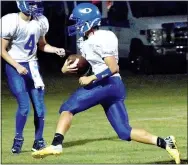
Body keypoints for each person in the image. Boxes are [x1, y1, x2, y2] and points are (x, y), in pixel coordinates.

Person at [31, 3, 180, 164]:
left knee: (67, 108)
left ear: (89, 21)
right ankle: (166, 142)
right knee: (124, 132)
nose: (76, 25)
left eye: (79, 21)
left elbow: (114, 68)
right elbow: (88, 67)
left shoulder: (102, 37)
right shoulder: (86, 40)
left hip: (108, 83)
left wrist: (91, 78)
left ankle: (56, 145)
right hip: (110, 87)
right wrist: (67, 70)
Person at [1, 0, 65, 154]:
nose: (35, 6)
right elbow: (2, 50)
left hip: (32, 65)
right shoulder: (11, 21)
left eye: (37, 3)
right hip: (15, 65)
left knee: (40, 108)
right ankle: (18, 139)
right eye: (31, 3)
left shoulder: (40, 21)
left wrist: (55, 49)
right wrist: (17, 66)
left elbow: (42, 45)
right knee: (24, 107)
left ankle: (38, 141)